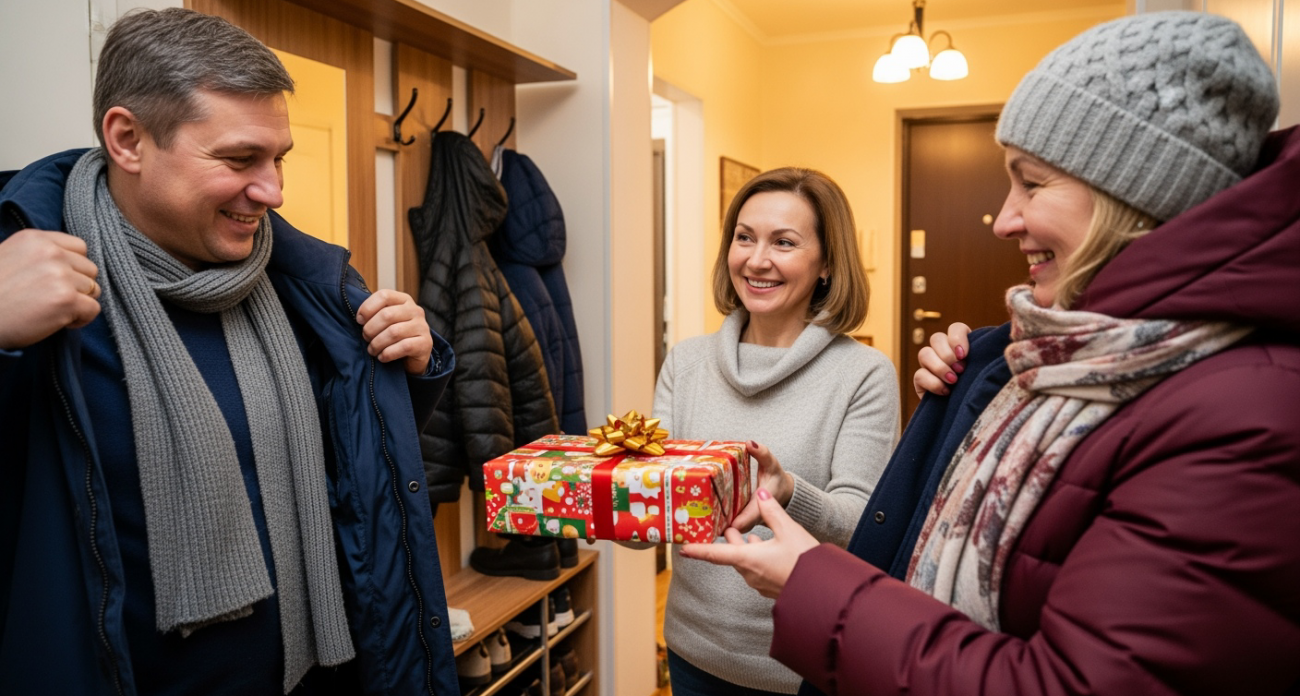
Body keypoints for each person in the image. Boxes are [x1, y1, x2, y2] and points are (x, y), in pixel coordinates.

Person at [682, 11, 1300, 696]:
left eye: (1031, 182)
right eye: (744, 236)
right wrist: (976, 375)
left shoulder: (1244, 417)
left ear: (1136, 193)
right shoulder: (1043, 358)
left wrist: (812, 578)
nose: (1003, 218)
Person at [0, 9, 460, 695]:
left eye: (278, 159)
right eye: (240, 159)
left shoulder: (305, 286)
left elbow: (355, 485)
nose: (272, 191)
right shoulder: (24, 275)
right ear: (127, 138)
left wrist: (405, 372)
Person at [655, 167, 899, 695]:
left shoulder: (865, 374)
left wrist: (787, 492)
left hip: (805, 666)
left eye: (784, 242)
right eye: (745, 237)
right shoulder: (686, 363)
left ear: (828, 263)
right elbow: (659, 505)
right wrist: (613, 496)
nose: (757, 259)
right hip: (693, 651)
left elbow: (864, 527)